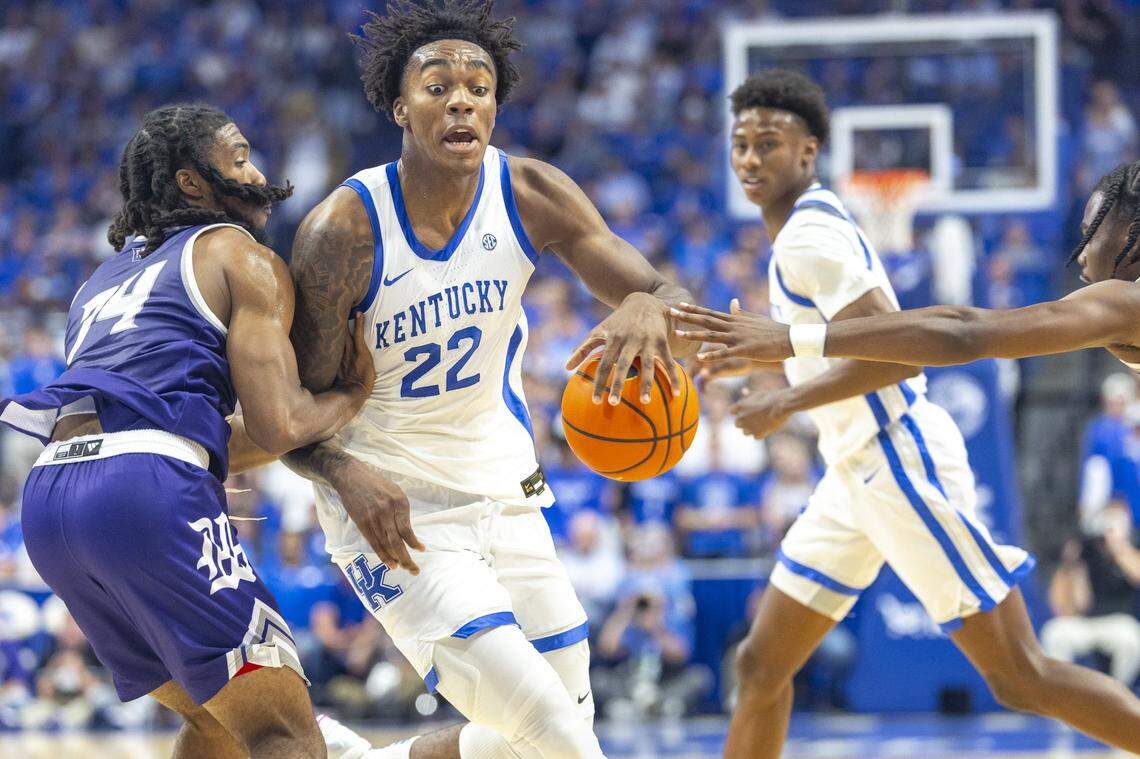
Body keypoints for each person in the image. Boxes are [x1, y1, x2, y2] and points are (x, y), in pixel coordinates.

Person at [282, 2, 694, 758]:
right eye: (438, 87)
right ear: (401, 107)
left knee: (537, 732)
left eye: (478, 86)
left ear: (496, 105)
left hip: (507, 493)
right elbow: (287, 414)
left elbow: (670, 296)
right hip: (397, 515)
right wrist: (343, 473)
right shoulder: (344, 229)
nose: (462, 99)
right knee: (556, 733)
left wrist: (646, 305)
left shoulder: (532, 192)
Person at [673, 152, 1140, 755]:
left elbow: (967, 333)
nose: (1079, 257)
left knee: (1020, 675)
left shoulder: (1128, 302)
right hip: (848, 471)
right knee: (760, 665)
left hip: (891, 453)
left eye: (1089, 233)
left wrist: (790, 338)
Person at [0, 103, 381, 759]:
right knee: (285, 732)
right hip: (142, 491)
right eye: (238, 158)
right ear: (191, 182)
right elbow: (280, 422)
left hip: (52, 500)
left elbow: (205, 434)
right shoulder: (240, 253)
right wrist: (350, 395)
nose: (258, 171)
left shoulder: (100, 280)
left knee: (217, 720)